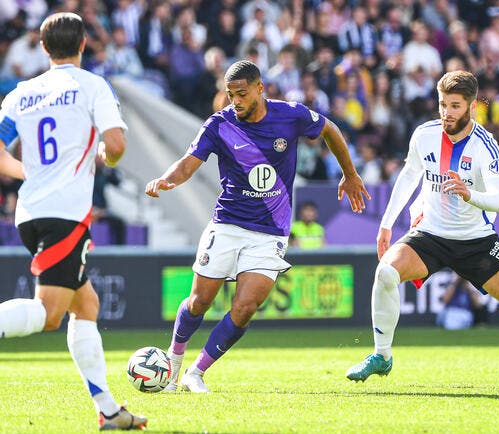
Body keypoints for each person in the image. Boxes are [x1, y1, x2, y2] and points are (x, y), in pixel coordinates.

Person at [145, 60, 370, 393]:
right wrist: (166, 179)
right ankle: (172, 365)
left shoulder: (291, 115)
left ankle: (196, 372)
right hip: (227, 225)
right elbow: (188, 163)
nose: (235, 100)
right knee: (198, 303)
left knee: (245, 308)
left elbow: (330, 129)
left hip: (270, 233)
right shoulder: (219, 125)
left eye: (241, 93)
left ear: (260, 88)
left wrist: (350, 174)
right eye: (230, 94)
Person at [345, 70, 499, 387]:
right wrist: (386, 224)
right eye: (442, 104)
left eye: (454, 106)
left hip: (477, 242)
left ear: (471, 108)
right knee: (385, 272)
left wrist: (471, 195)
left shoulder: (486, 145)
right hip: (430, 235)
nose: (446, 113)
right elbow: (410, 175)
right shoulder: (424, 135)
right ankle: (382, 356)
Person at [0, 13, 147, 430]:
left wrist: (27, 172)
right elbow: (115, 144)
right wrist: (107, 156)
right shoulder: (92, 86)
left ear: (43, 49)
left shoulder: (21, 93)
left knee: (87, 306)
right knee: (49, 315)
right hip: (65, 215)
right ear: (84, 44)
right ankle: (108, 411)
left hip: (29, 212)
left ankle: (108, 410)